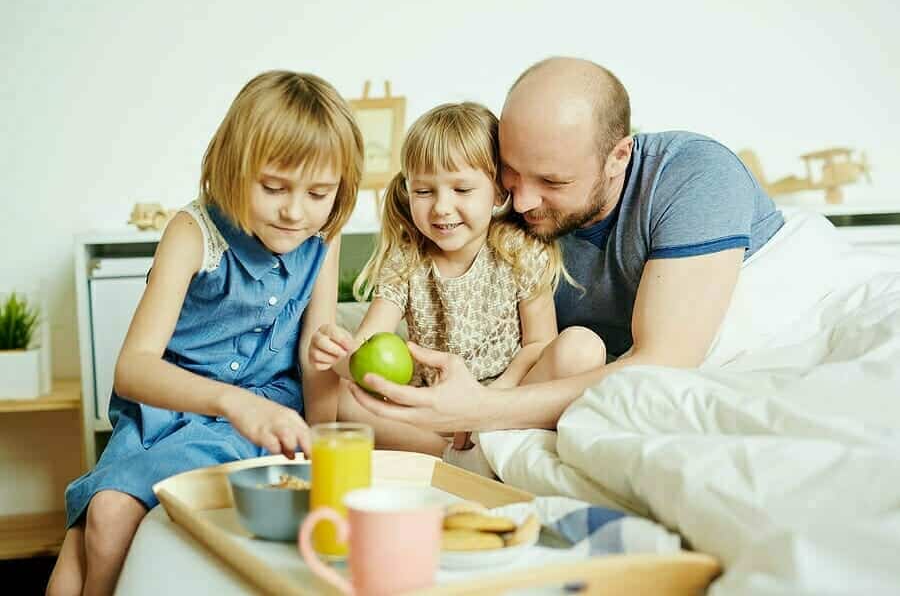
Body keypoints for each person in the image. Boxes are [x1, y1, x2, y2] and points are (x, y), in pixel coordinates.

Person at [347, 56, 785, 439]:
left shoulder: (694, 175)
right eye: (511, 174)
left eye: (553, 182)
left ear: (619, 157)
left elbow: (663, 364)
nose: (520, 202)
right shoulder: (510, 220)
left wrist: (478, 408)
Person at [46, 70, 363, 596]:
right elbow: (133, 369)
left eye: (318, 193)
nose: (294, 210)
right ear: (233, 168)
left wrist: (320, 450)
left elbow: (315, 359)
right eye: (274, 187)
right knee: (86, 538)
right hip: (168, 413)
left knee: (107, 513)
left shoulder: (321, 239)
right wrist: (232, 402)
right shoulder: (193, 233)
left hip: (258, 422)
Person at [307, 102, 606, 466]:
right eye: (424, 191)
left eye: (461, 190)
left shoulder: (518, 250)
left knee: (582, 348)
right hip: (430, 413)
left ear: (498, 192)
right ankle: (456, 458)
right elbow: (367, 347)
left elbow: (539, 344)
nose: (441, 208)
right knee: (342, 396)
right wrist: (338, 355)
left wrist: (489, 402)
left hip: (505, 402)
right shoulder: (408, 259)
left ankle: (483, 445)